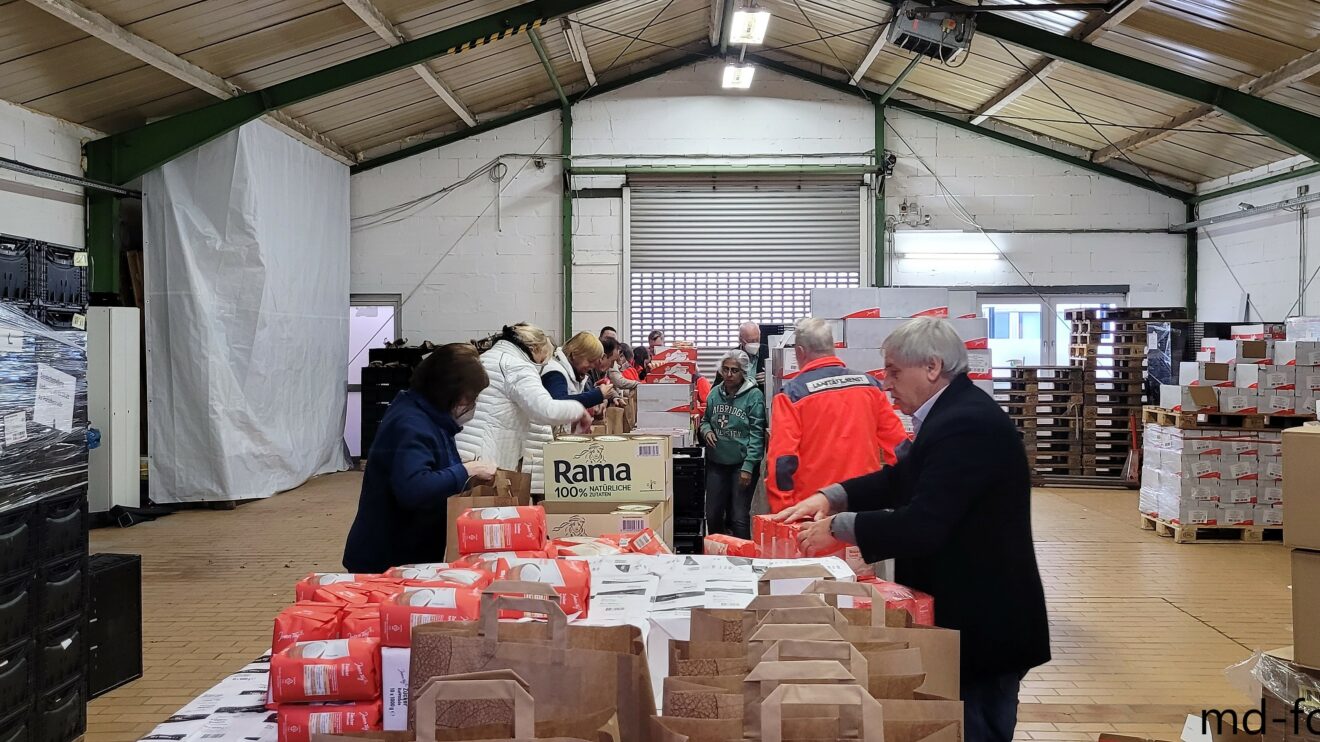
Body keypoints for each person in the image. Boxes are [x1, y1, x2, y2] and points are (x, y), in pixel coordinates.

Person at [774, 317, 1050, 742]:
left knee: (975, 725)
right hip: (967, 615)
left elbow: (923, 526)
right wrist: (830, 496)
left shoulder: (967, 424)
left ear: (932, 367)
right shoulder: (950, 414)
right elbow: (899, 479)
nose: (885, 383)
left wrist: (841, 527)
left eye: (894, 371)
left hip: (985, 621)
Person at [342, 344, 497, 573]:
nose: (471, 405)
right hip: (388, 561)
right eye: (470, 398)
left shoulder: (428, 417)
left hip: (408, 554)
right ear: (448, 391)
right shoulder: (412, 424)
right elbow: (414, 487)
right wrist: (467, 471)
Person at [764, 318, 908, 513]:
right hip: (863, 508)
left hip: (814, 513)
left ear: (799, 352)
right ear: (832, 347)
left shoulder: (791, 395)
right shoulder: (870, 386)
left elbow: (782, 462)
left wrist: (785, 510)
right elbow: (899, 446)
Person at [456, 324, 592, 471]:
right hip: (488, 456)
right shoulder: (517, 366)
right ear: (534, 348)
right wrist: (579, 410)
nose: (539, 367)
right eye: (541, 361)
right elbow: (546, 410)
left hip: (464, 450)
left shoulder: (486, 358)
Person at [526, 332, 616, 496]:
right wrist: (597, 395)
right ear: (574, 355)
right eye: (589, 361)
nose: (592, 366)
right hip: (542, 449)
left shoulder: (571, 373)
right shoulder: (555, 373)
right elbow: (559, 403)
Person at [698, 351, 766, 539]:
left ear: (743, 372)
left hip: (740, 465)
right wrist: (707, 431)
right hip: (716, 463)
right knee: (712, 514)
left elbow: (756, 434)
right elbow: (705, 421)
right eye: (725, 369)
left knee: (739, 517)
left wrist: (749, 466)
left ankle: (743, 556)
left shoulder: (754, 396)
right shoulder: (714, 393)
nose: (729, 374)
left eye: (734, 370)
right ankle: (718, 552)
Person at [716, 322, 766, 387]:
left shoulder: (768, 352)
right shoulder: (731, 357)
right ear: (741, 340)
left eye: (757, 340)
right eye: (751, 341)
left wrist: (771, 378)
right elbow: (717, 386)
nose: (755, 343)